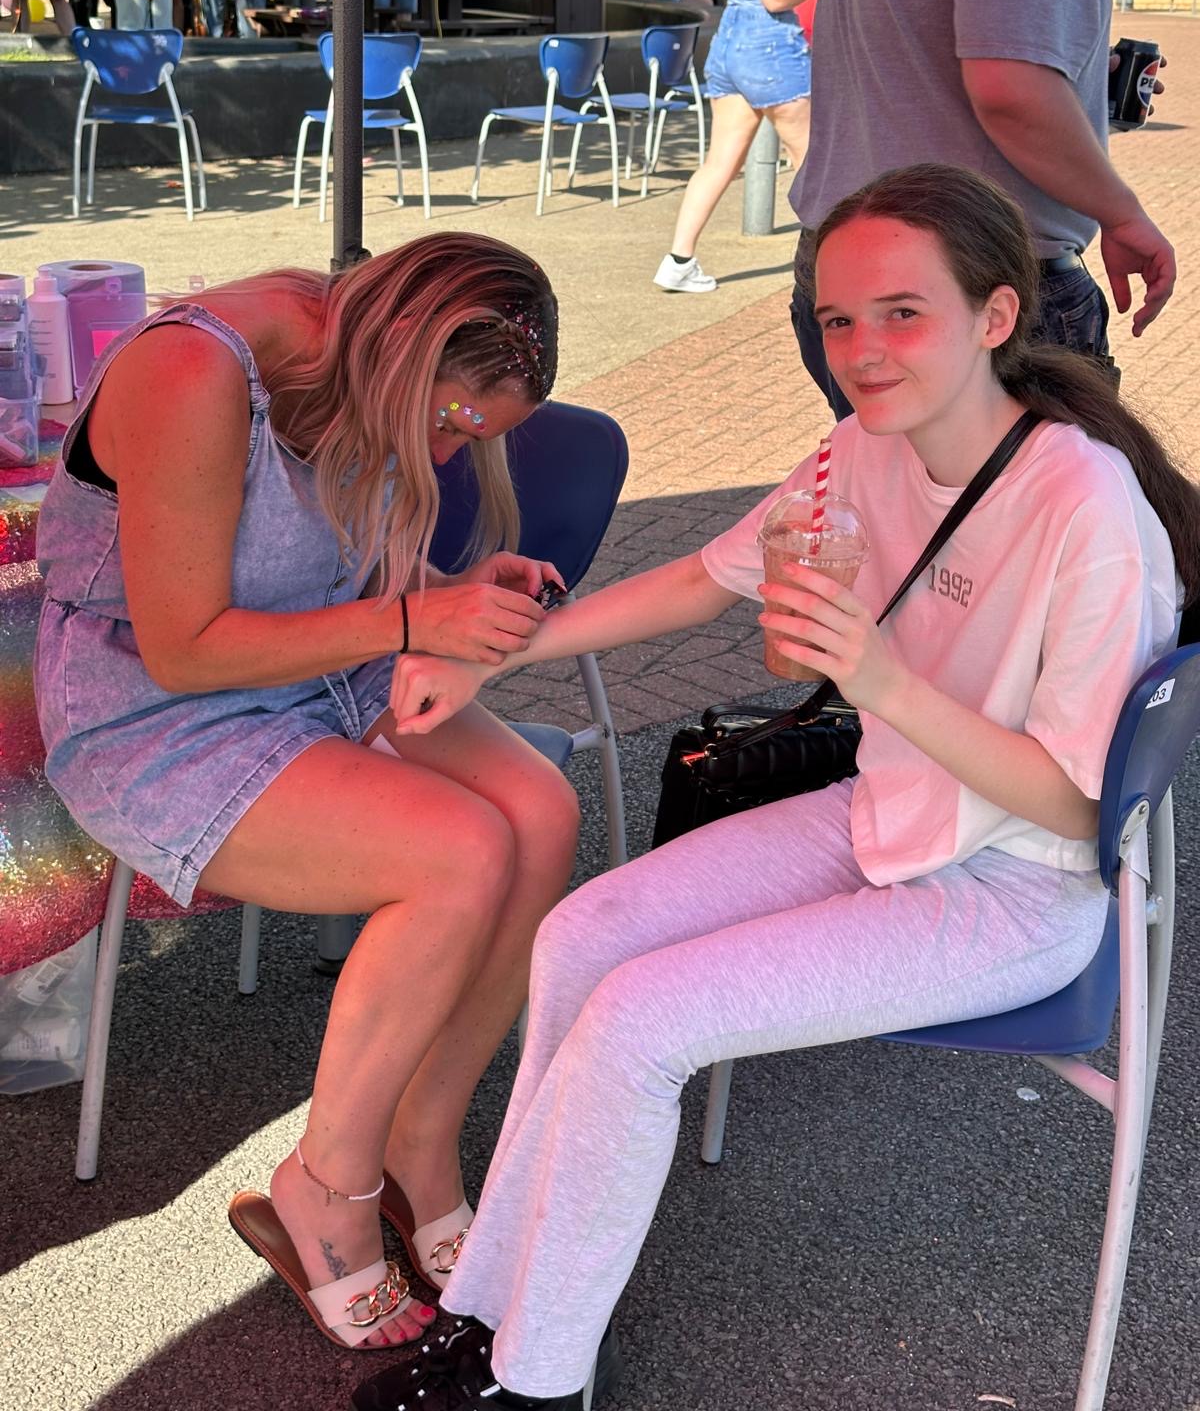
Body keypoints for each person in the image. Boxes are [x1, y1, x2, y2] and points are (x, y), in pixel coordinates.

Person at [358, 163, 1198, 1411]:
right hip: (885, 815)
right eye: (839, 319)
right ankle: (497, 1305)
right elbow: (709, 576)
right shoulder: (861, 447)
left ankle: (532, 1381)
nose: (862, 350)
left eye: (902, 313)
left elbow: (1081, 807)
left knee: (639, 1022)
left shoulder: (1085, 507)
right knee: (580, 935)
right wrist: (498, 656)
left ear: (996, 315)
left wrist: (880, 677)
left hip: (1013, 886)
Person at [33, 235, 579, 1352]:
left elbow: (330, 567)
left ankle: (419, 1147)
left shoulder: (363, 355)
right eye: (451, 422)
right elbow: (186, 645)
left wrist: (447, 585)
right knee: (457, 851)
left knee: (540, 814)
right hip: (153, 707)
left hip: (321, 662)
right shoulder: (190, 371)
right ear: (408, 345)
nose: (446, 452)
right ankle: (325, 1188)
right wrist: (415, 618)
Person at [790, 0, 1177, 418]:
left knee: (899, 483)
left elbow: (920, 51)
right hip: (971, 280)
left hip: (854, 266)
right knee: (1050, 482)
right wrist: (1121, 214)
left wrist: (1067, 71)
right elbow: (1010, 91)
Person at [653, 0, 819, 295]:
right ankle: (831, 272)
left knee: (719, 162)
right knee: (813, 163)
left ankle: (678, 261)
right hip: (769, 46)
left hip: (730, 44)